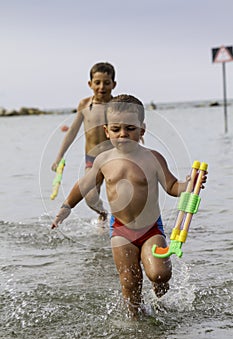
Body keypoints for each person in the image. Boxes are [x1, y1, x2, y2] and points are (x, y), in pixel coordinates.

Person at [51, 94, 207, 317]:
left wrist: (190, 184)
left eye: (130, 128)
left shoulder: (152, 158)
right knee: (130, 281)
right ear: (107, 130)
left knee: (160, 274)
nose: (123, 134)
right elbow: (83, 184)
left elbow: (172, 186)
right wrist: (65, 208)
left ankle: (159, 294)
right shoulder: (103, 160)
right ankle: (136, 321)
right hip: (121, 230)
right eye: (116, 129)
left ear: (142, 130)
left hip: (151, 228)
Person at [51, 62, 117, 222]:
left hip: (114, 159)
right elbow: (72, 131)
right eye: (97, 82)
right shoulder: (85, 105)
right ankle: (102, 214)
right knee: (90, 196)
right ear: (90, 84)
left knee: (119, 195)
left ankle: (120, 224)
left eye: (107, 83)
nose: (102, 87)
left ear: (113, 84)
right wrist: (59, 156)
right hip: (92, 160)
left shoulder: (117, 106)